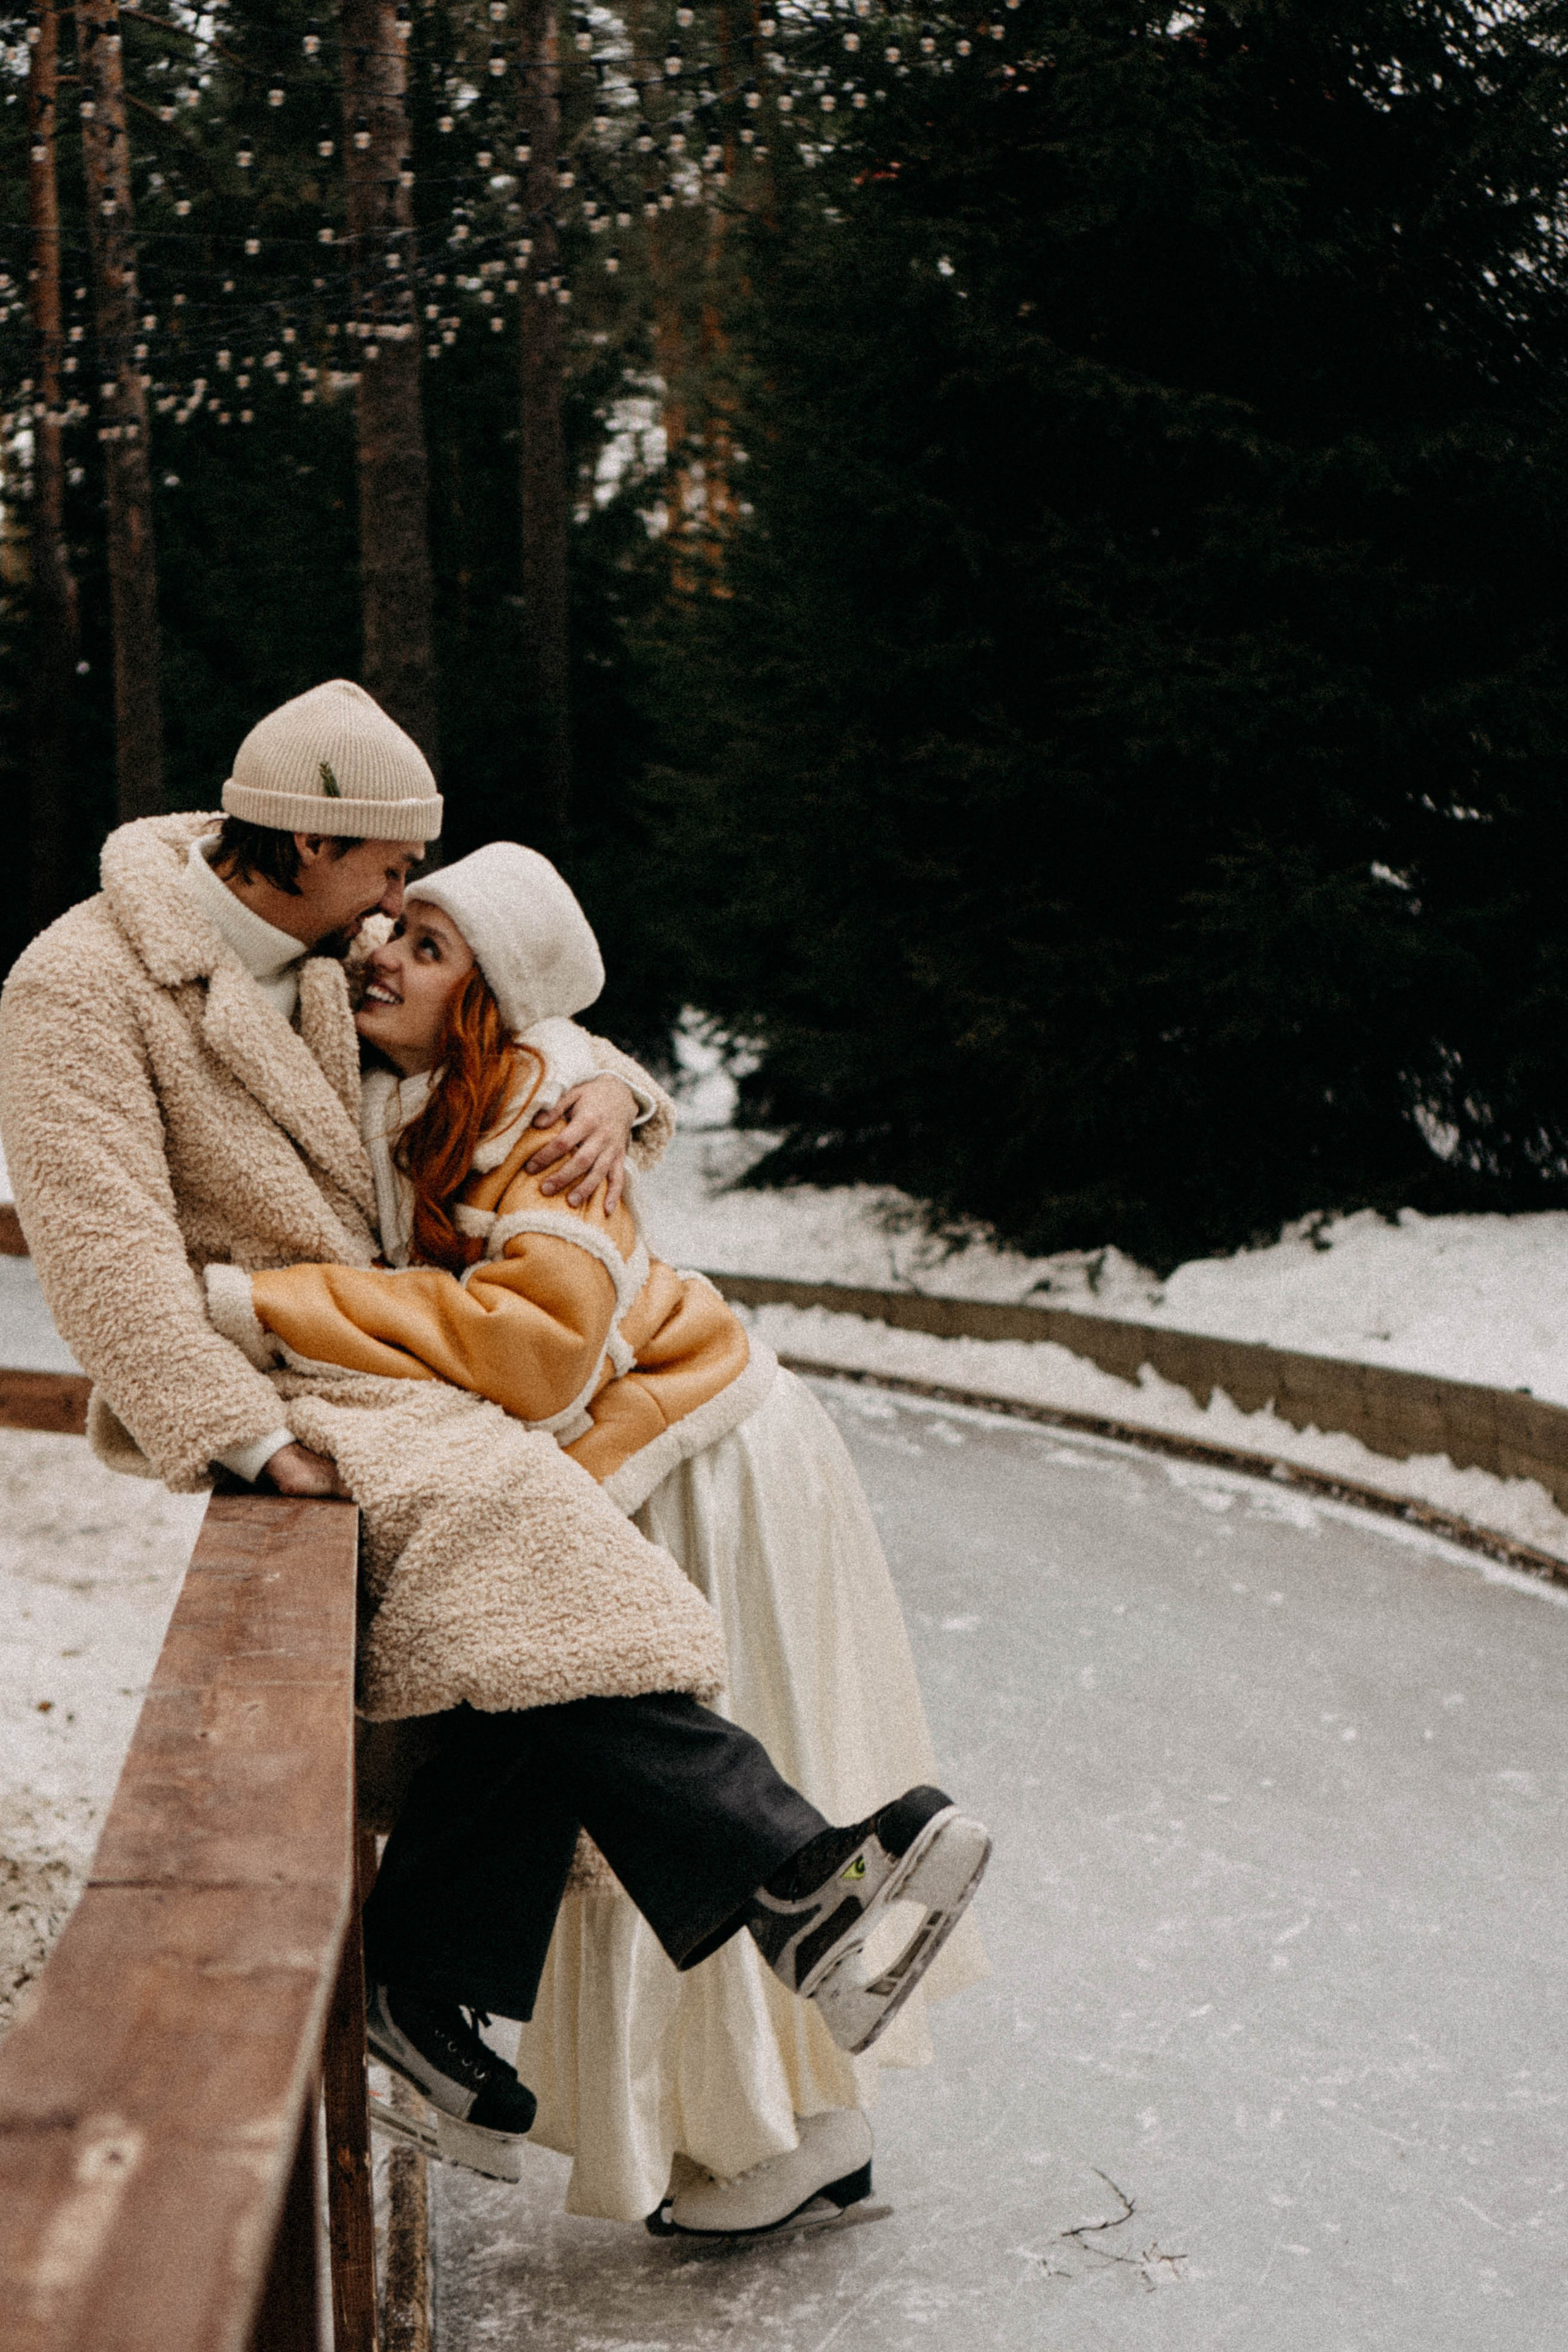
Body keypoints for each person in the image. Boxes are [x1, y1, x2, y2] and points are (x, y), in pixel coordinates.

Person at [0, 682, 990, 2221]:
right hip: (287, 1376)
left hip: (402, 1360)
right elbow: (101, 1255)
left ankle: (495, 1968)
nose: (402, 911)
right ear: (318, 844)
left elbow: (514, 1019)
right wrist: (238, 1434)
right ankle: (786, 1891)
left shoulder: (331, 960)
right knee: (525, 1550)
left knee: (522, 1611)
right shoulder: (83, 983)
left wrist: (615, 1088)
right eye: (392, 872)